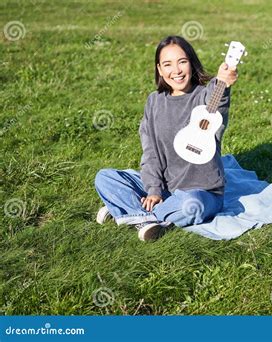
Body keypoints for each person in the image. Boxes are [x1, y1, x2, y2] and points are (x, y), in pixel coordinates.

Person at [94, 35, 238, 241]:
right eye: (167, 64)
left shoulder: (204, 97)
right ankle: (148, 216)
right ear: (160, 70)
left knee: (192, 205)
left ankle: (130, 213)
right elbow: (150, 151)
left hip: (202, 192)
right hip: (164, 187)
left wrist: (223, 82)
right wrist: (153, 190)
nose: (176, 71)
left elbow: (218, 102)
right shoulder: (154, 102)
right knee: (105, 177)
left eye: (182, 62)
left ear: (192, 63)